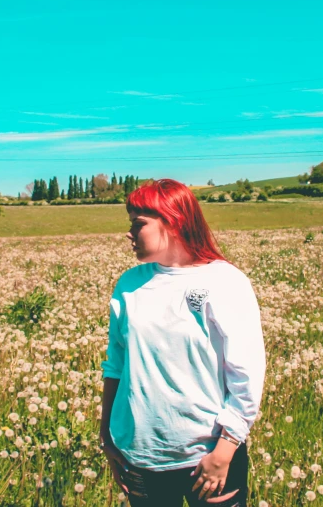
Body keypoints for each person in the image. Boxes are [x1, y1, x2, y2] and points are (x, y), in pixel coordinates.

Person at [99, 179, 266, 507]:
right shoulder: (129, 284)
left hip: (209, 456)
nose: (129, 233)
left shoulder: (225, 281)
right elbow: (116, 363)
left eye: (138, 224)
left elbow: (246, 376)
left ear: (173, 221)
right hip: (138, 457)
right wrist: (107, 435)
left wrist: (225, 450)